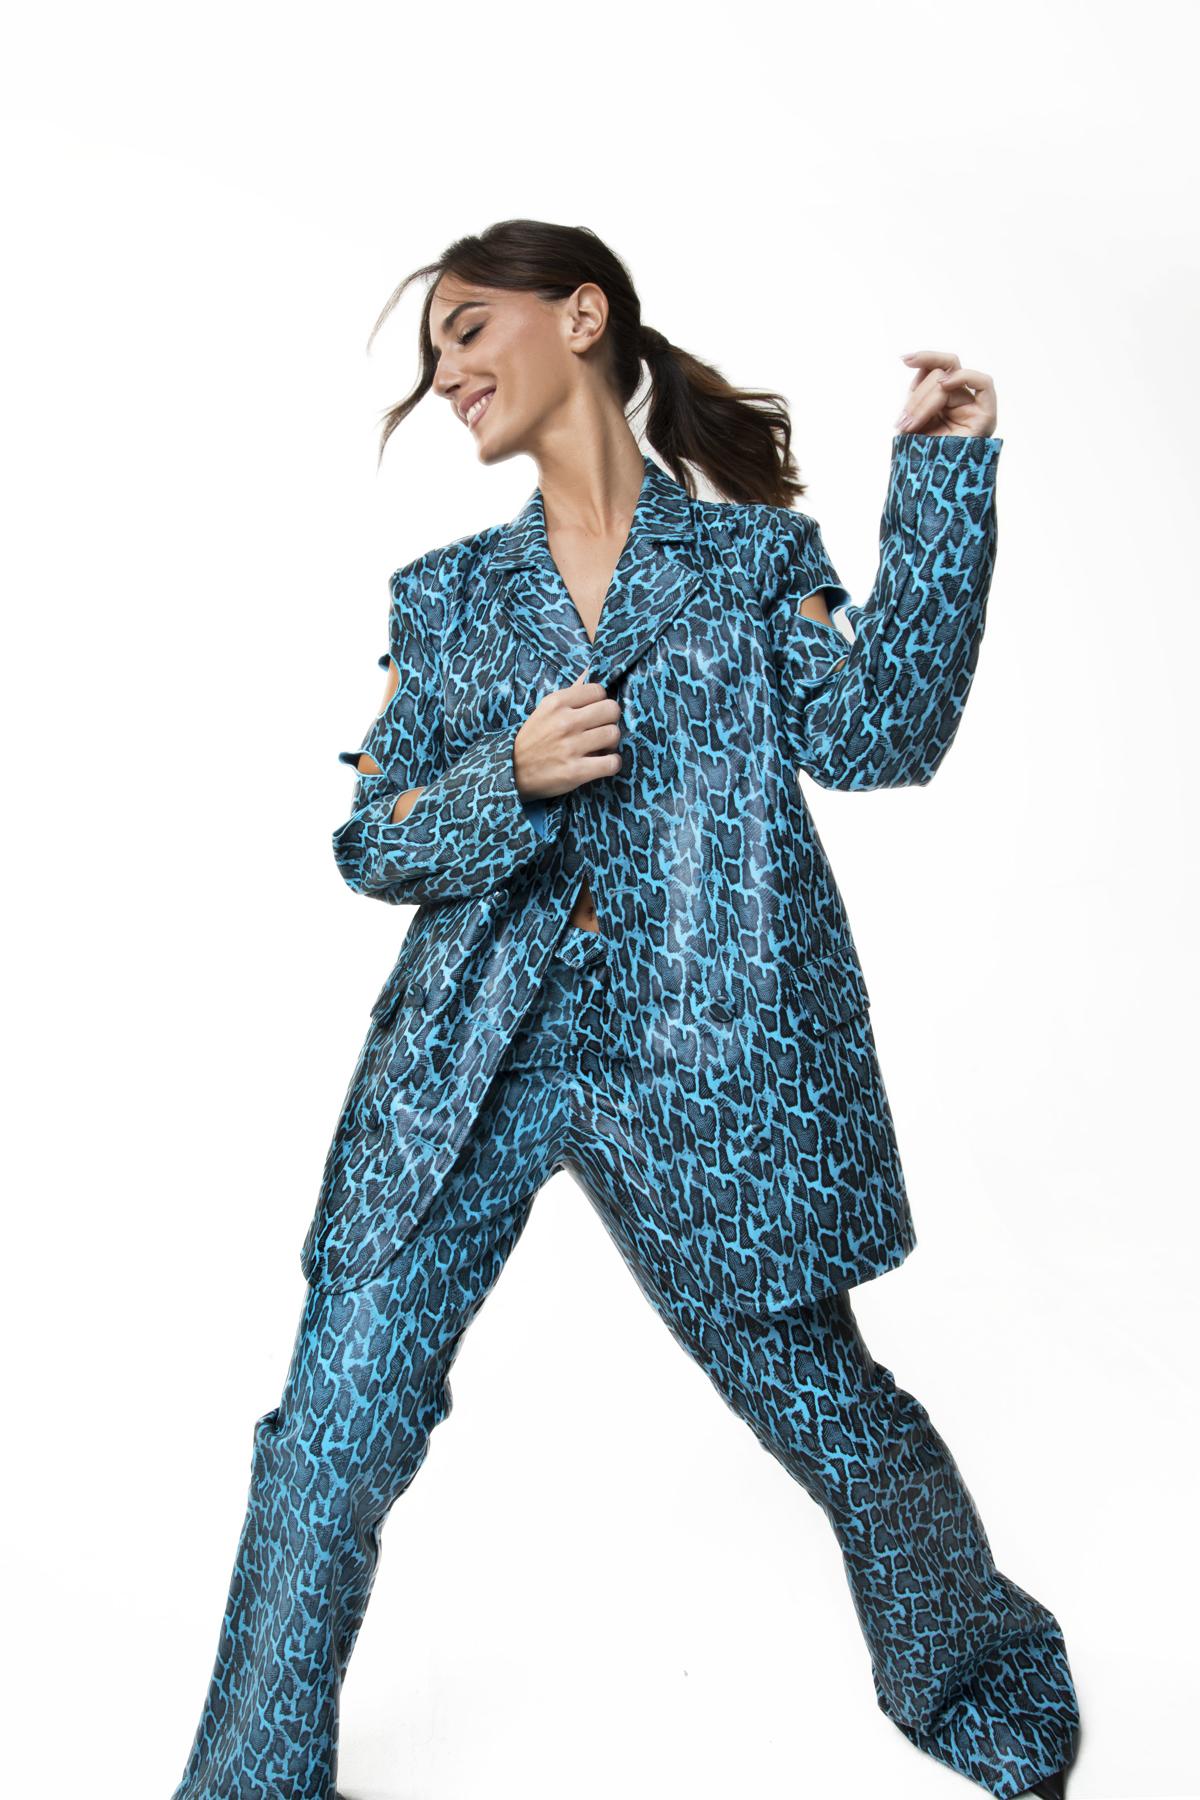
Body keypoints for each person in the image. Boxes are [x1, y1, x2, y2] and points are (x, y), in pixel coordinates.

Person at [169, 219, 1081, 1800]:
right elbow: (372, 839)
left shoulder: (749, 567)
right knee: (330, 1430)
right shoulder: (448, 601)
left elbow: (882, 734)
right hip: (465, 1068)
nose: (448, 375)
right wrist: (506, 778)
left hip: (704, 1067)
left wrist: (941, 481)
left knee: (834, 1412)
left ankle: (982, 1682)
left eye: (469, 331)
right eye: (435, 356)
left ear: (580, 316)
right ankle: (251, 1782)